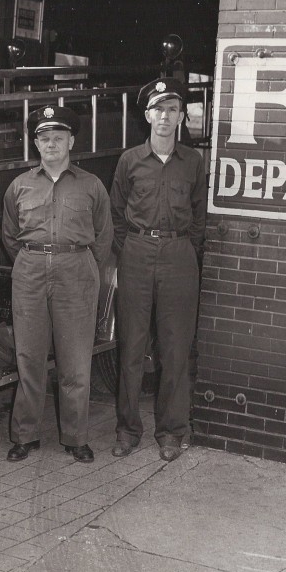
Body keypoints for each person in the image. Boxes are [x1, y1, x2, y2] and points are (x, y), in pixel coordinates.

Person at [1, 105, 113, 463]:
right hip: (30, 269)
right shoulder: (19, 186)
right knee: (29, 357)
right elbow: (9, 237)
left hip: (76, 269)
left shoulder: (91, 185)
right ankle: (25, 435)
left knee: (75, 360)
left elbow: (103, 237)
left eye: (58, 138)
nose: (51, 144)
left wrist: (79, 268)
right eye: (44, 138)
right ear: (36, 144)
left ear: (71, 141)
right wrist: (35, 259)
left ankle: (75, 437)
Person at [110, 78, 206, 462]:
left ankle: (171, 432)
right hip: (136, 252)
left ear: (181, 117)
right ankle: (128, 429)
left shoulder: (193, 162)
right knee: (131, 347)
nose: (165, 117)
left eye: (172, 110)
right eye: (158, 110)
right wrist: (126, 253)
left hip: (179, 254)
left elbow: (199, 216)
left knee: (175, 348)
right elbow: (116, 213)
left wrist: (184, 249)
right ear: (147, 115)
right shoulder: (130, 161)